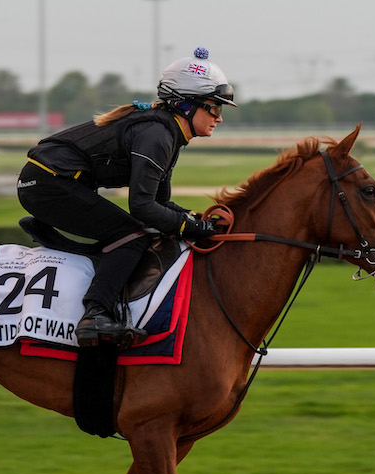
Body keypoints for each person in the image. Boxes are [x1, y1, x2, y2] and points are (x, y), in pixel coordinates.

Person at [17, 46, 236, 347]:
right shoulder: (157, 134)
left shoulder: (167, 132)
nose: (219, 118)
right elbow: (143, 207)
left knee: (138, 231)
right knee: (133, 236)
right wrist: (192, 227)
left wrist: (195, 220)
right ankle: (96, 314)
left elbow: (160, 205)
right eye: (214, 107)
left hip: (52, 182)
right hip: (48, 183)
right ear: (187, 105)